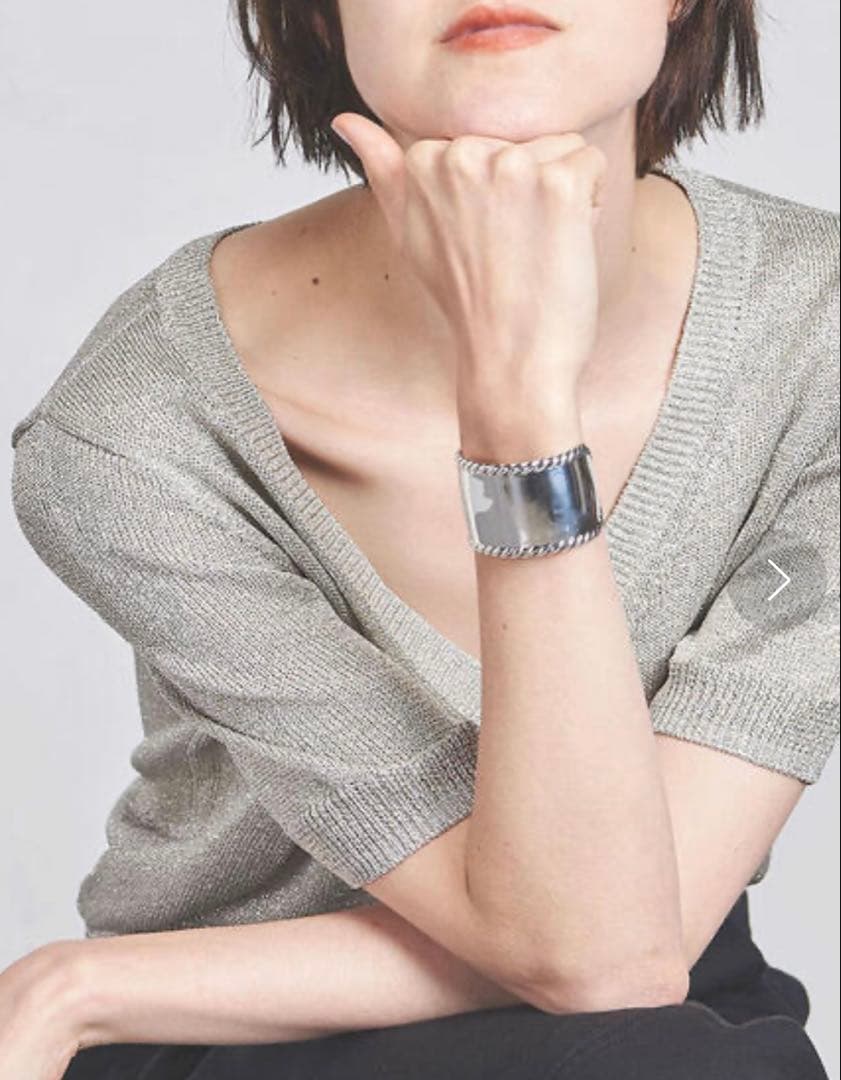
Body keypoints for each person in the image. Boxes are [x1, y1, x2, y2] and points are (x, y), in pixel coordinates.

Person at [3, 0, 838, 1076]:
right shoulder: (140, 425)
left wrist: (82, 986)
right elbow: (597, 954)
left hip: (661, 991)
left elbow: (618, 954)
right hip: (244, 1023)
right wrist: (517, 415)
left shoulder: (815, 335)